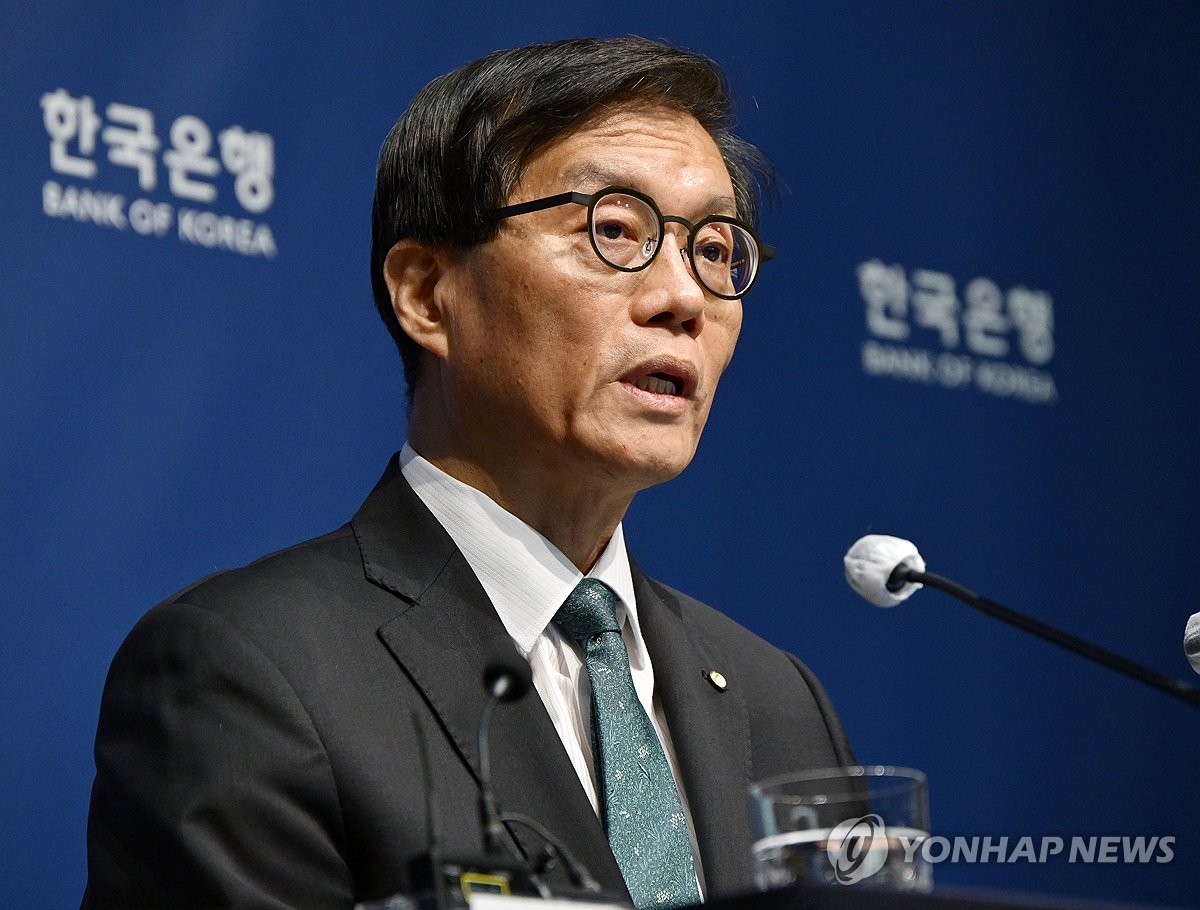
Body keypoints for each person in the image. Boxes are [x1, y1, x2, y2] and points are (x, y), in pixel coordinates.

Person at [83, 36, 854, 909]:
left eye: (714, 249)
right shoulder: (249, 671)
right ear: (425, 292)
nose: (683, 297)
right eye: (613, 230)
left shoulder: (779, 702)